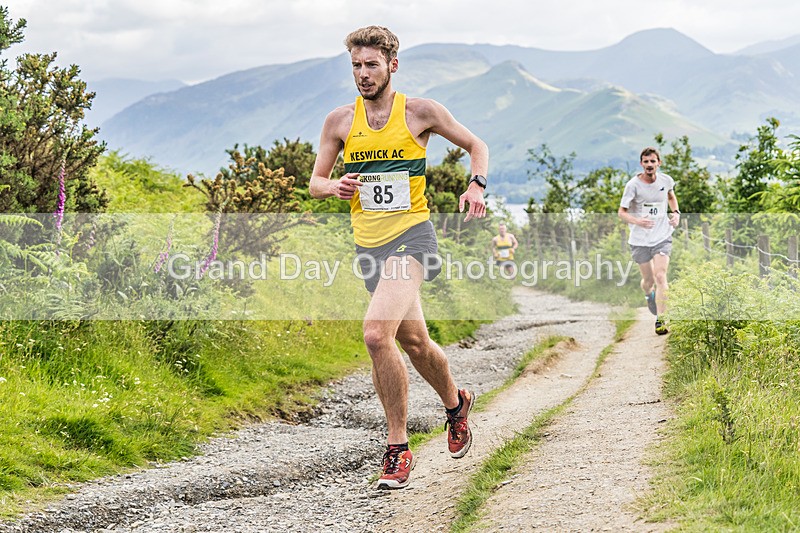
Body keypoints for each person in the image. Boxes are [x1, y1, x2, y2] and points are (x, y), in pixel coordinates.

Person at [308, 26, 489, 490]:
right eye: (355, 65)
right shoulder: (339, 122)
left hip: (413, 237)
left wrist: (476, 184)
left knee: (374, 334)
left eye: (371, 65)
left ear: (392, 64)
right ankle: (456, 404)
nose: (363, 74)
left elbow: (476, 146)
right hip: (369, 245)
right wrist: (336, 186)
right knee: (414, 344)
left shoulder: (420, 112)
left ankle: (397, 448)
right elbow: (316, 182)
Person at [618, 147, 680, 335]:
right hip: (639, 239)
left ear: (658, 163)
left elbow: (670, 196)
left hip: (662, 235)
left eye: (653, 161)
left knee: (661, 276)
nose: (649, 165)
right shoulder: (633, 185)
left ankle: (661, 320)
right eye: (646, 162)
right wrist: (638, 221)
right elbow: (621, 212)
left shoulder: (666, 180)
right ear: (641, 164)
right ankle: (648, 295)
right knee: (648, 280)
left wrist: (676, 213)